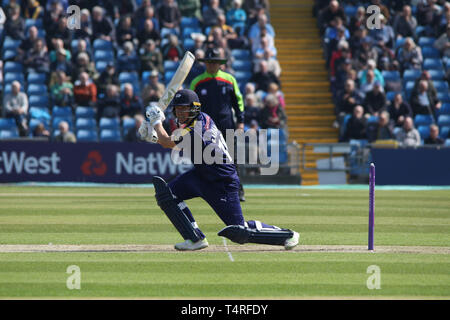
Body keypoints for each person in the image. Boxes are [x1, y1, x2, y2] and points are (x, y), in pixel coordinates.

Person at [139, 89, 299, 251]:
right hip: (201, 176)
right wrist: (153, 136)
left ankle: (287, 234)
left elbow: (168, 142)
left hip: (222, 182)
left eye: (184, 108)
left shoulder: (196, 130)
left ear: (194, 108)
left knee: (239, 231)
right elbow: (173, 142)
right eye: (178, 109)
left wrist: (156, 122)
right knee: (167, 194)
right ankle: (194, 238)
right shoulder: (202, 118)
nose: (180, 112)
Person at [190, 48, 246, 201]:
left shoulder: (229, 79)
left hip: (227, 124)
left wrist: (241, 121)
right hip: (205, 127)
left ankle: (237, 191)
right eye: (209, 62)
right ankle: (207, 191)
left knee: (232, 158)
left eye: (214, 62)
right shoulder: (197, 82)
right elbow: (191, 106)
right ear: (205, 63)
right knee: (204, 159)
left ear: (220, 64)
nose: (212, 65)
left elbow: (238, 101)